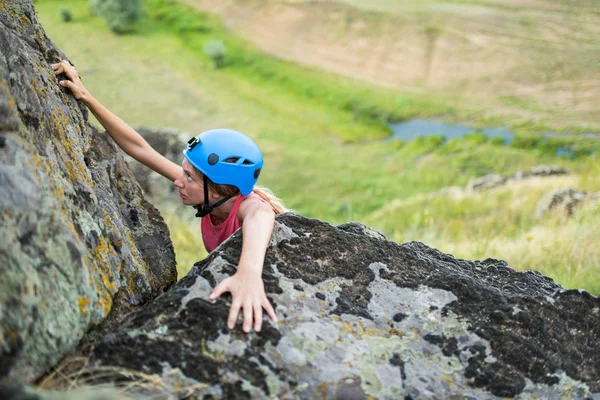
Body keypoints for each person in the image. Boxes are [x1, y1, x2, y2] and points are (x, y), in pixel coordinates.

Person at [51, 60, 285, 333]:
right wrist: (86, 97)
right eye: (183, 172)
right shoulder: (212, 195)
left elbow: (261, 215)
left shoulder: (249, 207)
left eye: (189, 178)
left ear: (221, 186)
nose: (177, 181)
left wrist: (248, 274)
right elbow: (141, 149)